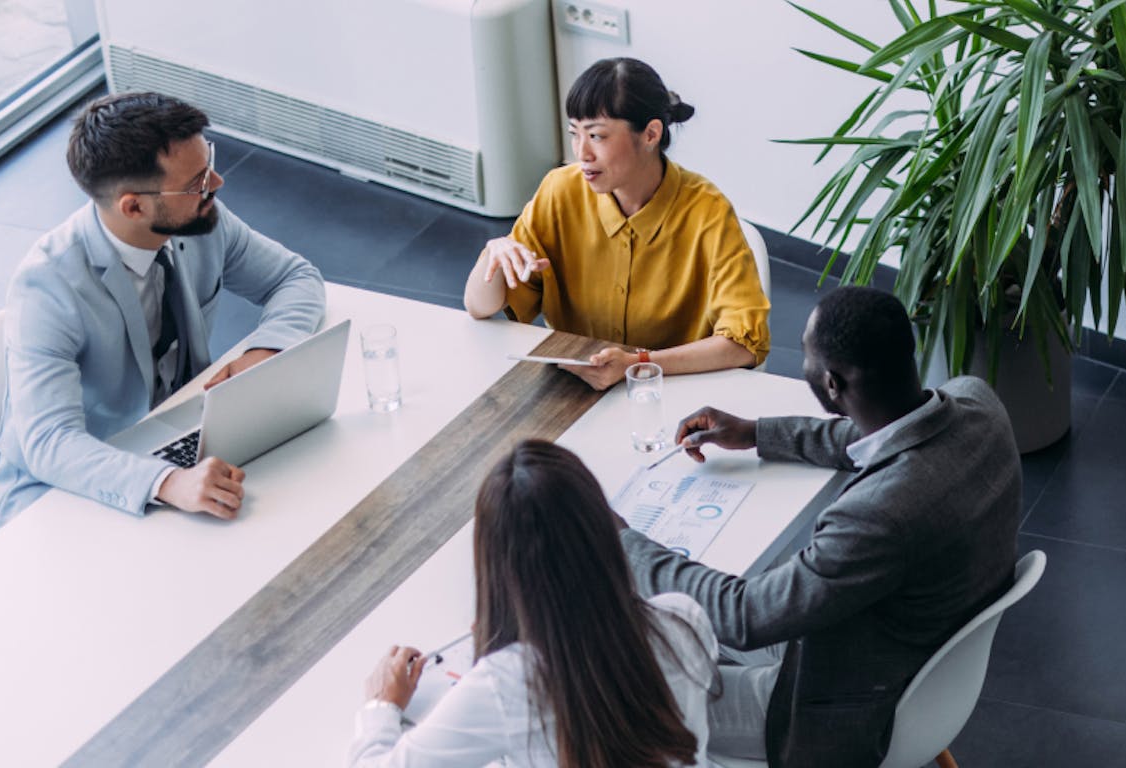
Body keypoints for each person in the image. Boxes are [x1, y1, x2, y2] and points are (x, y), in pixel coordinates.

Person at [619, 287, 1022, 768]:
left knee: (624, 688)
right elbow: (887, 431)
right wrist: (755, 432)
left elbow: (745, 617)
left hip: (840, 708)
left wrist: (616, 538)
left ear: (832, 384)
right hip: (921, 651)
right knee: (683, 612)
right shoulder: (978, 402)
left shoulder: (879, 515)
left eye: (807, 358)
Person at [0, 92, 326, 525]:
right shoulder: (46, 286)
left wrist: (267, 349)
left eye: (210, 163)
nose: (217, 184)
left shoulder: (201, 218)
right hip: (70, 488)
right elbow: (50, 443)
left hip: (176, 436)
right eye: (196, 183)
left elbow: (295, 278)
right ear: (133, 205)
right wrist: (166, 482)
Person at [348, 440, 718, 768]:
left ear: (498, 565)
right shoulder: (684, 619)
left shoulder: (506, 684)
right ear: (605, 533)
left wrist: (380, 706)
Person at [463, 58, 770, 391]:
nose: (582, 152)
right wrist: (491, 254)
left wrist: (639, 365)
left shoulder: (707, 212)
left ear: (651, 133)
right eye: (574, 134)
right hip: (572, 392)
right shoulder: (559, 191)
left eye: (596, 136)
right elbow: (480, 307)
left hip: (673, 393)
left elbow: (745, 344)